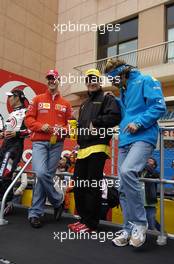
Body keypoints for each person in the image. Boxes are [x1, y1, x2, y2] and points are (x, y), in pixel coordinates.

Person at [104, 59, 166, 247]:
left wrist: (138, 122)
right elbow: (128, 111)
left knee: (127, 171)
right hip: (125, 139)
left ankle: (140, 223)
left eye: (114, 79)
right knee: (122, 185)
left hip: (143, 136)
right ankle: (128, 228)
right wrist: (114, 99)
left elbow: (159, 106)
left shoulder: (147, 80)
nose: (113, 83)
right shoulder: (123, 90)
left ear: (123, 72)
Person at [68, 68, 121, 233]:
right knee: (79, 185)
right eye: (89, 80)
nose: (91, 82)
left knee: (92, 186)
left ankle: (91, 224)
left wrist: (97, 122)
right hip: (83, 149)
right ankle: (83, 220)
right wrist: (75, 130)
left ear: (99, 82)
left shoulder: (107, 98)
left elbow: (115, 117)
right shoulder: (84, 103)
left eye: (94, 79)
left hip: (98, 148)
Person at [25, 69, 72, 228]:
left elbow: (69, 126)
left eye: (54, 78)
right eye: (49, 78)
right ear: (47, 81)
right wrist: (40, 126)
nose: (52, 81)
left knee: (44, 178)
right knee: (40, 173)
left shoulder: (65, 103)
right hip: (39, 142)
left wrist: (62, 130)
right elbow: (28, 119)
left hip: (57, 144)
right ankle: (58, 201)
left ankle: (35, 213)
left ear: (59, 80)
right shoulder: (37, 99)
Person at [0, 89, 28, 205]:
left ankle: (7, 202)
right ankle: (5, 201)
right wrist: (2, 133)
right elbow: (7, 131)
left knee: (5, 173)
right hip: (5, 145)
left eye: (10, 96)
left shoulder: (26, 112)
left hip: (15, 147)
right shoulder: (11, 113)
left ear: (17, 97)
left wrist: (17, 133)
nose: (8, 99)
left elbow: (31, 130)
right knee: (1, 174)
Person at [140, 157, 160, 230]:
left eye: (150, 161)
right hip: (139, 202)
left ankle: (159, 235)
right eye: (146, 161)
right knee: (140, 223)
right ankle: (162, 232)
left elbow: (157, 175)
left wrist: (146, 166)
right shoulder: (139, 172)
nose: (147, 162)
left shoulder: (154, 173)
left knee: (151, 224)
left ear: (154, 165)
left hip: (149, 203)